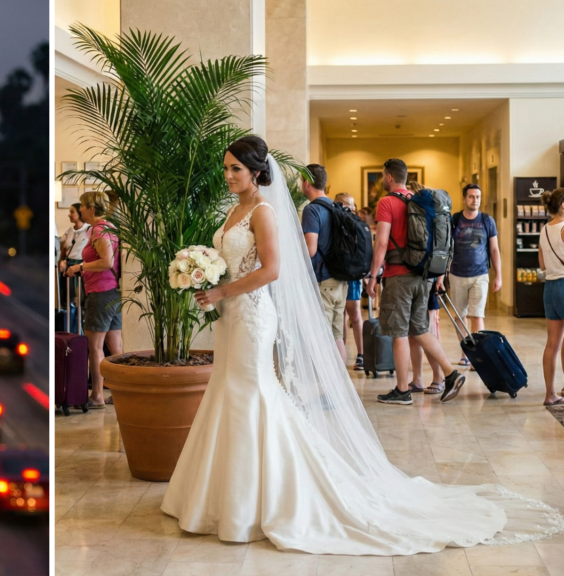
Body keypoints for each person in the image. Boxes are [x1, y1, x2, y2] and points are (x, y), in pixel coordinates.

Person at [161, 137, 562, 555]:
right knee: (228, 391)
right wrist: (203, 274)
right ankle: (221, 493)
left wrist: (223, 293)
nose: (227, 176)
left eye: (235, 169)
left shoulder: (262, 211)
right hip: (230, 317)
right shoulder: (233, 210)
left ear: (257, 172)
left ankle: (261, 497)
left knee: (252, 394)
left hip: (252, 316)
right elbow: (233, 262)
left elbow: (273, 269)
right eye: (225, 168)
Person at [366, 159, 464, 405]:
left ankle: (402, 390)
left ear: (389, 177)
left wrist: (372, 276)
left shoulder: (387, 202)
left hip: (398, 276)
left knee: (398, 332)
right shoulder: (418, 199)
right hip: (423, 277)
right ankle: (451, 373)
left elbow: (381, 243)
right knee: (419, 329)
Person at [65, 191, 121, 409]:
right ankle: (120, 392)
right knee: (115, 346)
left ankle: (97, 395)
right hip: (114, 292)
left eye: (82, 206)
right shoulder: (110, 227)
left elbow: (106, 262)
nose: (79, 210)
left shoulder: (99, 230)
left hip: (101, 293)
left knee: (95, 347)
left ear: (91, 208)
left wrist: (79, 267)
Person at [448, 184, 502, 368]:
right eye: (471, 196)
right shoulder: (454, 220)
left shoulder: (487, 220)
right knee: (460, 316)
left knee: (477, 315)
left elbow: (494, 249)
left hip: (480, 274)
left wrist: (498, 275)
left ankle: (477, 356)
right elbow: (447, 248)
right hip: (457, 274)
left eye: (478, 197)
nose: (475, 200)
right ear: (464, 199)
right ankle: (465, 353)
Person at [301, 164, 347, 363]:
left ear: (306, 182)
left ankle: (326, 390)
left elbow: (310, 249)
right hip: (340, 280)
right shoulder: (336, 206)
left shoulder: (312, 210)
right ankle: (342, 390)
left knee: (322, 337)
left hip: (323, 281)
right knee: (337, 336)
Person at [537, 187, 564, 406]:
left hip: (551, 288)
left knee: (552, 344)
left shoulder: (545, 229)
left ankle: (550, 394)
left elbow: (543, 265)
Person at [335, 193, 364, 369]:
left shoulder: (356, 224)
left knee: (355, 314)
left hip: (352, 275)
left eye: (353, 205)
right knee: (341, 316)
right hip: (339, 273)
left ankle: (361, 354)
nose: (352, 208)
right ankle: (342, 353)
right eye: (348, 205)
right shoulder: (336, 222)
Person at [57, 203, 90, 310]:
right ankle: (70, 321)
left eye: (72, 212)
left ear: (80, 213)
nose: (69, 215)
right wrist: (62, 261)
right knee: (67, 297)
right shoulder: (69, 231)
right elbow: (64, 248)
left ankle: (81, 320)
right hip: (68, 266)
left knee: (81, 298)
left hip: (81, 266)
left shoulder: (89, 230)